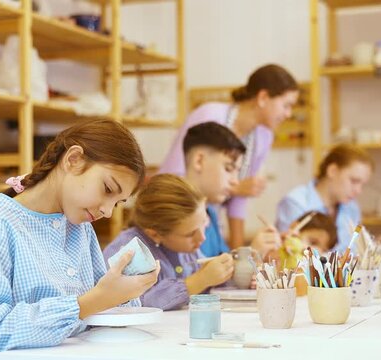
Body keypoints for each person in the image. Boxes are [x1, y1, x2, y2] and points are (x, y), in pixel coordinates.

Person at [0, 119, 160, 359]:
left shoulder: (79, 227)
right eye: (108, 190)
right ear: (73, 160)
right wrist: (89, 303)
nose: (108, 211)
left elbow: (99, 315)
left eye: (117, 203)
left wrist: (125, 291)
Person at [160, 64, 299, 249]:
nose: (288, 114)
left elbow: (240, 201)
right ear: (263, 97)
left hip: (209, 223)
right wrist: (237, 188)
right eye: (286, 105)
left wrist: (240, 255)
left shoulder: (264, 136)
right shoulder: (209, 114)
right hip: (177, 221)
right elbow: (170, 179)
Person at [103, 174, 234, 310]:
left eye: (203, 223)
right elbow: (140, 304)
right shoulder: (129, 252)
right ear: (155, 234)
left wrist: (229, 274)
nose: (202, 237)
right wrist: (199, 280)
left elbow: (207, 289)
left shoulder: (188, 251)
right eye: (190, 234)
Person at [181, 122, 279, 259]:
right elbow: (199, 274)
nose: (235, 181)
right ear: (199, 161)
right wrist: (252, 254)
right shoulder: (176, 216)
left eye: (237, 172)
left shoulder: (210, 214)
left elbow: (225, 261)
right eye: (228, 168)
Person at [275, 144, 374, 252]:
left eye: (362, 185)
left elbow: (355, 252)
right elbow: (288, 254)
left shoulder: (352, 208)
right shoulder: (295, 203)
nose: (358, 191)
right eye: (354, 181)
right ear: (332, 171)